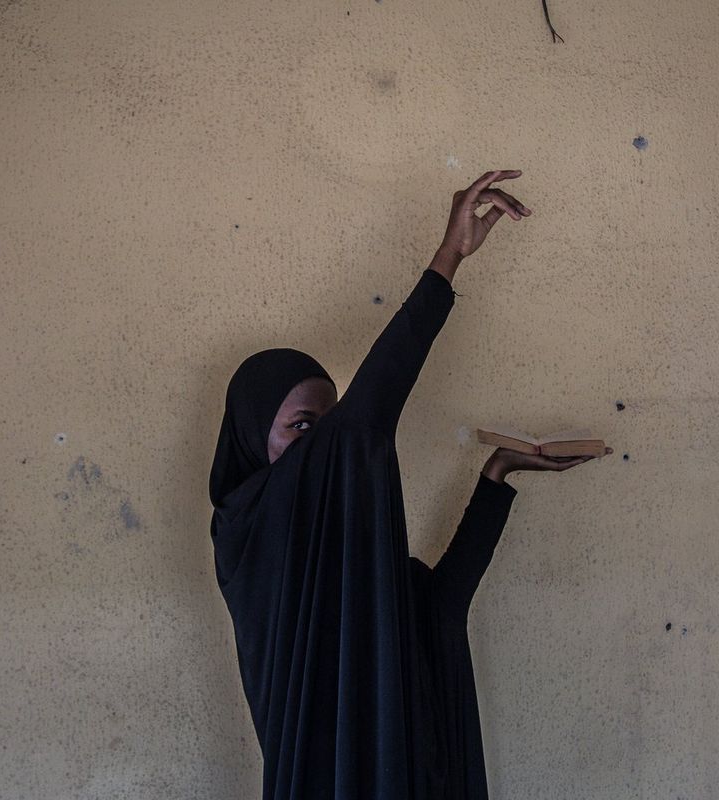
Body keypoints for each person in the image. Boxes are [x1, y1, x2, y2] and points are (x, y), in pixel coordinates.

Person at [208, 169, 612, 799]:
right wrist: (449, 257)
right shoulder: (246, 529)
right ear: (252, 436)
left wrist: (497, 476)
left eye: (328, 423)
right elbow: (367, 418)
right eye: (302, 427)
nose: (321, 444)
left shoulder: (349, 567)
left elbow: (440, 609)